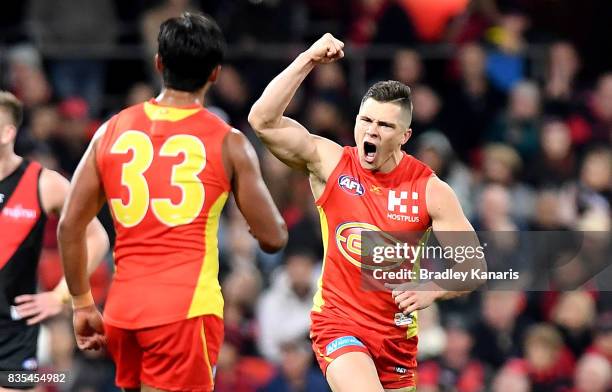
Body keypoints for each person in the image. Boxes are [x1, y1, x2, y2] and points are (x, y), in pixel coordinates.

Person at [57, 12, 287, 392]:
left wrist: (82, 304)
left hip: (123, 310)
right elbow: (274, 237)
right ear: (215, 73)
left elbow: (69, 226)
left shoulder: (111, 130)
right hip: (185, 311)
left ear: (158, 63)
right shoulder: (227, 141)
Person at [249, 33, 481, 392]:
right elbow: (263, 120)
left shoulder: (430, 190)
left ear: (404, 136)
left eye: (384, 125)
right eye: (365, 120)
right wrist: (308, 58)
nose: (370, 131)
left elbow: (473, 267)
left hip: (397, 341)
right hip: (339, 325)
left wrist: (432, 289)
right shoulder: (329, 162)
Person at [0, 92, 109, 377]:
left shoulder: (43, 183)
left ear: (7, 133)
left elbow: (96, 237)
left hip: (11, 330)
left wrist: (60, 295)